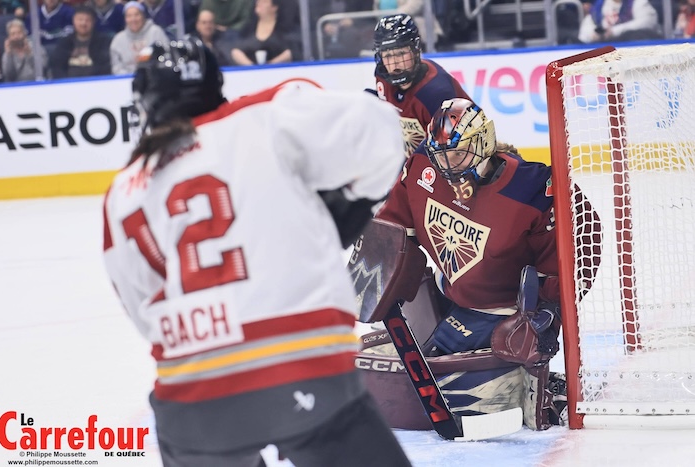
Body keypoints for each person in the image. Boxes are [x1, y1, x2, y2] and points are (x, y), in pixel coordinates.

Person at [102, 37, 413, 467]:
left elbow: (142, 305)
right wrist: (352, 208)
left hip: (191, 400)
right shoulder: (266, 116)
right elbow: (379, 127)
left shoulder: (124, 190)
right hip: (301, 369)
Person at [371, 97, 602, 429]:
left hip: (503, 309)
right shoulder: (424, 164)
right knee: (409, 359)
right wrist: (384, 267)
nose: (447, 165)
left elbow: (583, 240)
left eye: (457, 154)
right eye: (441, 155)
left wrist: (549, 313)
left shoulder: (533, 190)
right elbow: (396, 221)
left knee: (448, 378)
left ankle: (540, 389)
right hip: (448, 291)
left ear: (483, 146)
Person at [372, 13, 472, 158]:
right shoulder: (382, 76)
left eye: (400, 53)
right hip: (416, 159)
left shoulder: (436, 93)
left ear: (416, 50)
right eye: (387, 56)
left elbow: (452, 156)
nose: (394, 63)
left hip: (455, 160)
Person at [49, 5, 111, 78]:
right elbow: (57, 67)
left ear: (93, 22)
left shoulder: (103, 41)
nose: (83, 23)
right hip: (68, 84)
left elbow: (105, 67)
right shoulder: (64, 42)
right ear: (73, 20)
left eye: (87, 20)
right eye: (80, 19)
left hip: (95, 82)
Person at [230, 0, 297, 66]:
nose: (259, 3)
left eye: (264, 1)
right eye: (258, 1)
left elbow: (290, 52)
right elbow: (237, 49)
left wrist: (269, 65)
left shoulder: (284, 28)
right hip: (251, 69)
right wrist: (252, 67)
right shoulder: (249, 27)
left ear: (274, 7)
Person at [109, 1, 169, 74]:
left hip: (155, 77)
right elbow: (116, 67)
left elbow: (167, 56)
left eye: (136, 15)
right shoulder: (118, 40)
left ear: (143, 16)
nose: (133, 19)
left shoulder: (156, 32)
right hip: (127, 80)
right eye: (129, 16)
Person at [577, 0, 662, 43]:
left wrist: (614, 31)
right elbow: (584, 33)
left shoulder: (637, 2)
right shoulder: (600, 5)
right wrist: (594, 35)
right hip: (605, 50)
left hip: (632, 47)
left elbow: (647, 22)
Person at [1, 17, 48, 82]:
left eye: (19, 33)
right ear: (9, 37)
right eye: (13, 34)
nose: (16, 36)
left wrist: (29, 54)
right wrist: (9, 55)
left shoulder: (36, 47)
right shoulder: (7, 53)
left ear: (24, 33)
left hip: (36, 84)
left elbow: (43, 69)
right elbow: (9, 76)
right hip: (15, 87)